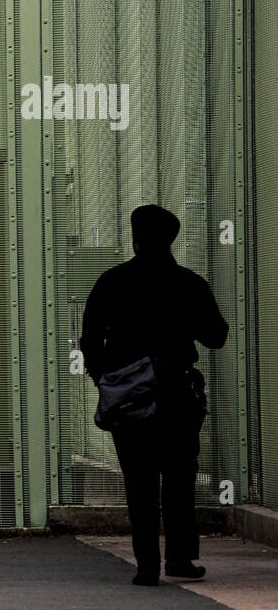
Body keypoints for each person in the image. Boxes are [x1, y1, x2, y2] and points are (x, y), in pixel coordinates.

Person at [79, 204, 229, 586]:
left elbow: (91, 341)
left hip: (129, 398)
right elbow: (217, 336)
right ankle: (179, 559)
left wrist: (107, 380)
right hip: (177, 393)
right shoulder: (189, 284)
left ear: (135, 238)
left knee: (139, 480)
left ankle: (147, 564)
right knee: (179, 478)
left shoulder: (111, 282)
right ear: (172, 239)